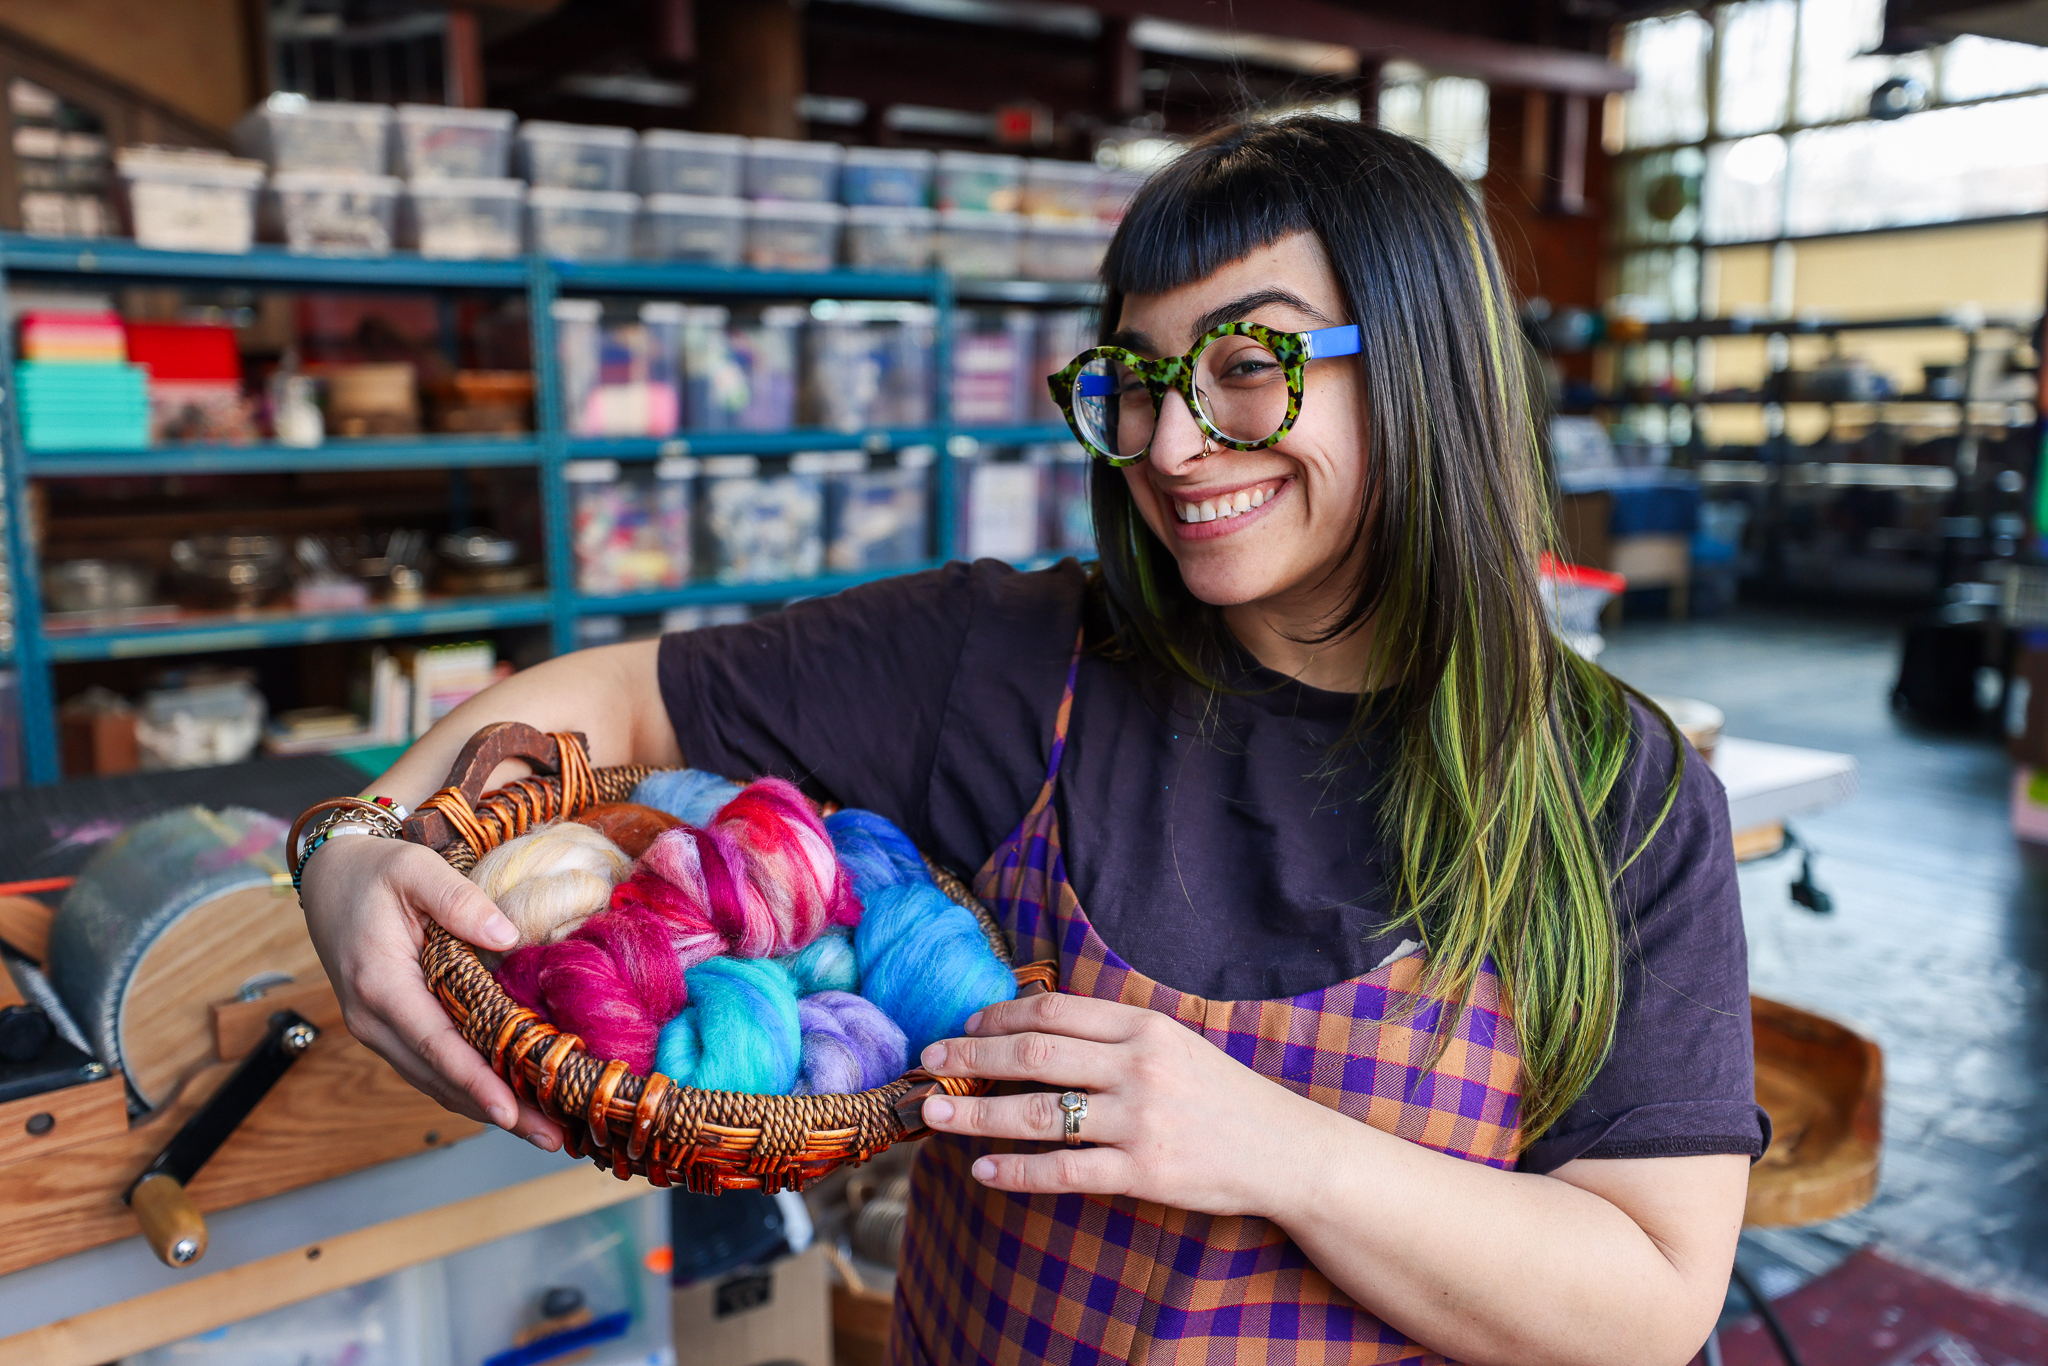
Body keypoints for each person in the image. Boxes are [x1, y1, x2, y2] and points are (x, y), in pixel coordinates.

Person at [302, 116, 1764, 1365]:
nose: (1174, 448)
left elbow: (1651, 1292)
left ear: (1431, 359)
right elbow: (611, 699)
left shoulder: (1619, 796)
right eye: (1133, 381)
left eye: (1246, 364)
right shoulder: (1005, 664)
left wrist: (1274, 1150)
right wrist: (353, 848)